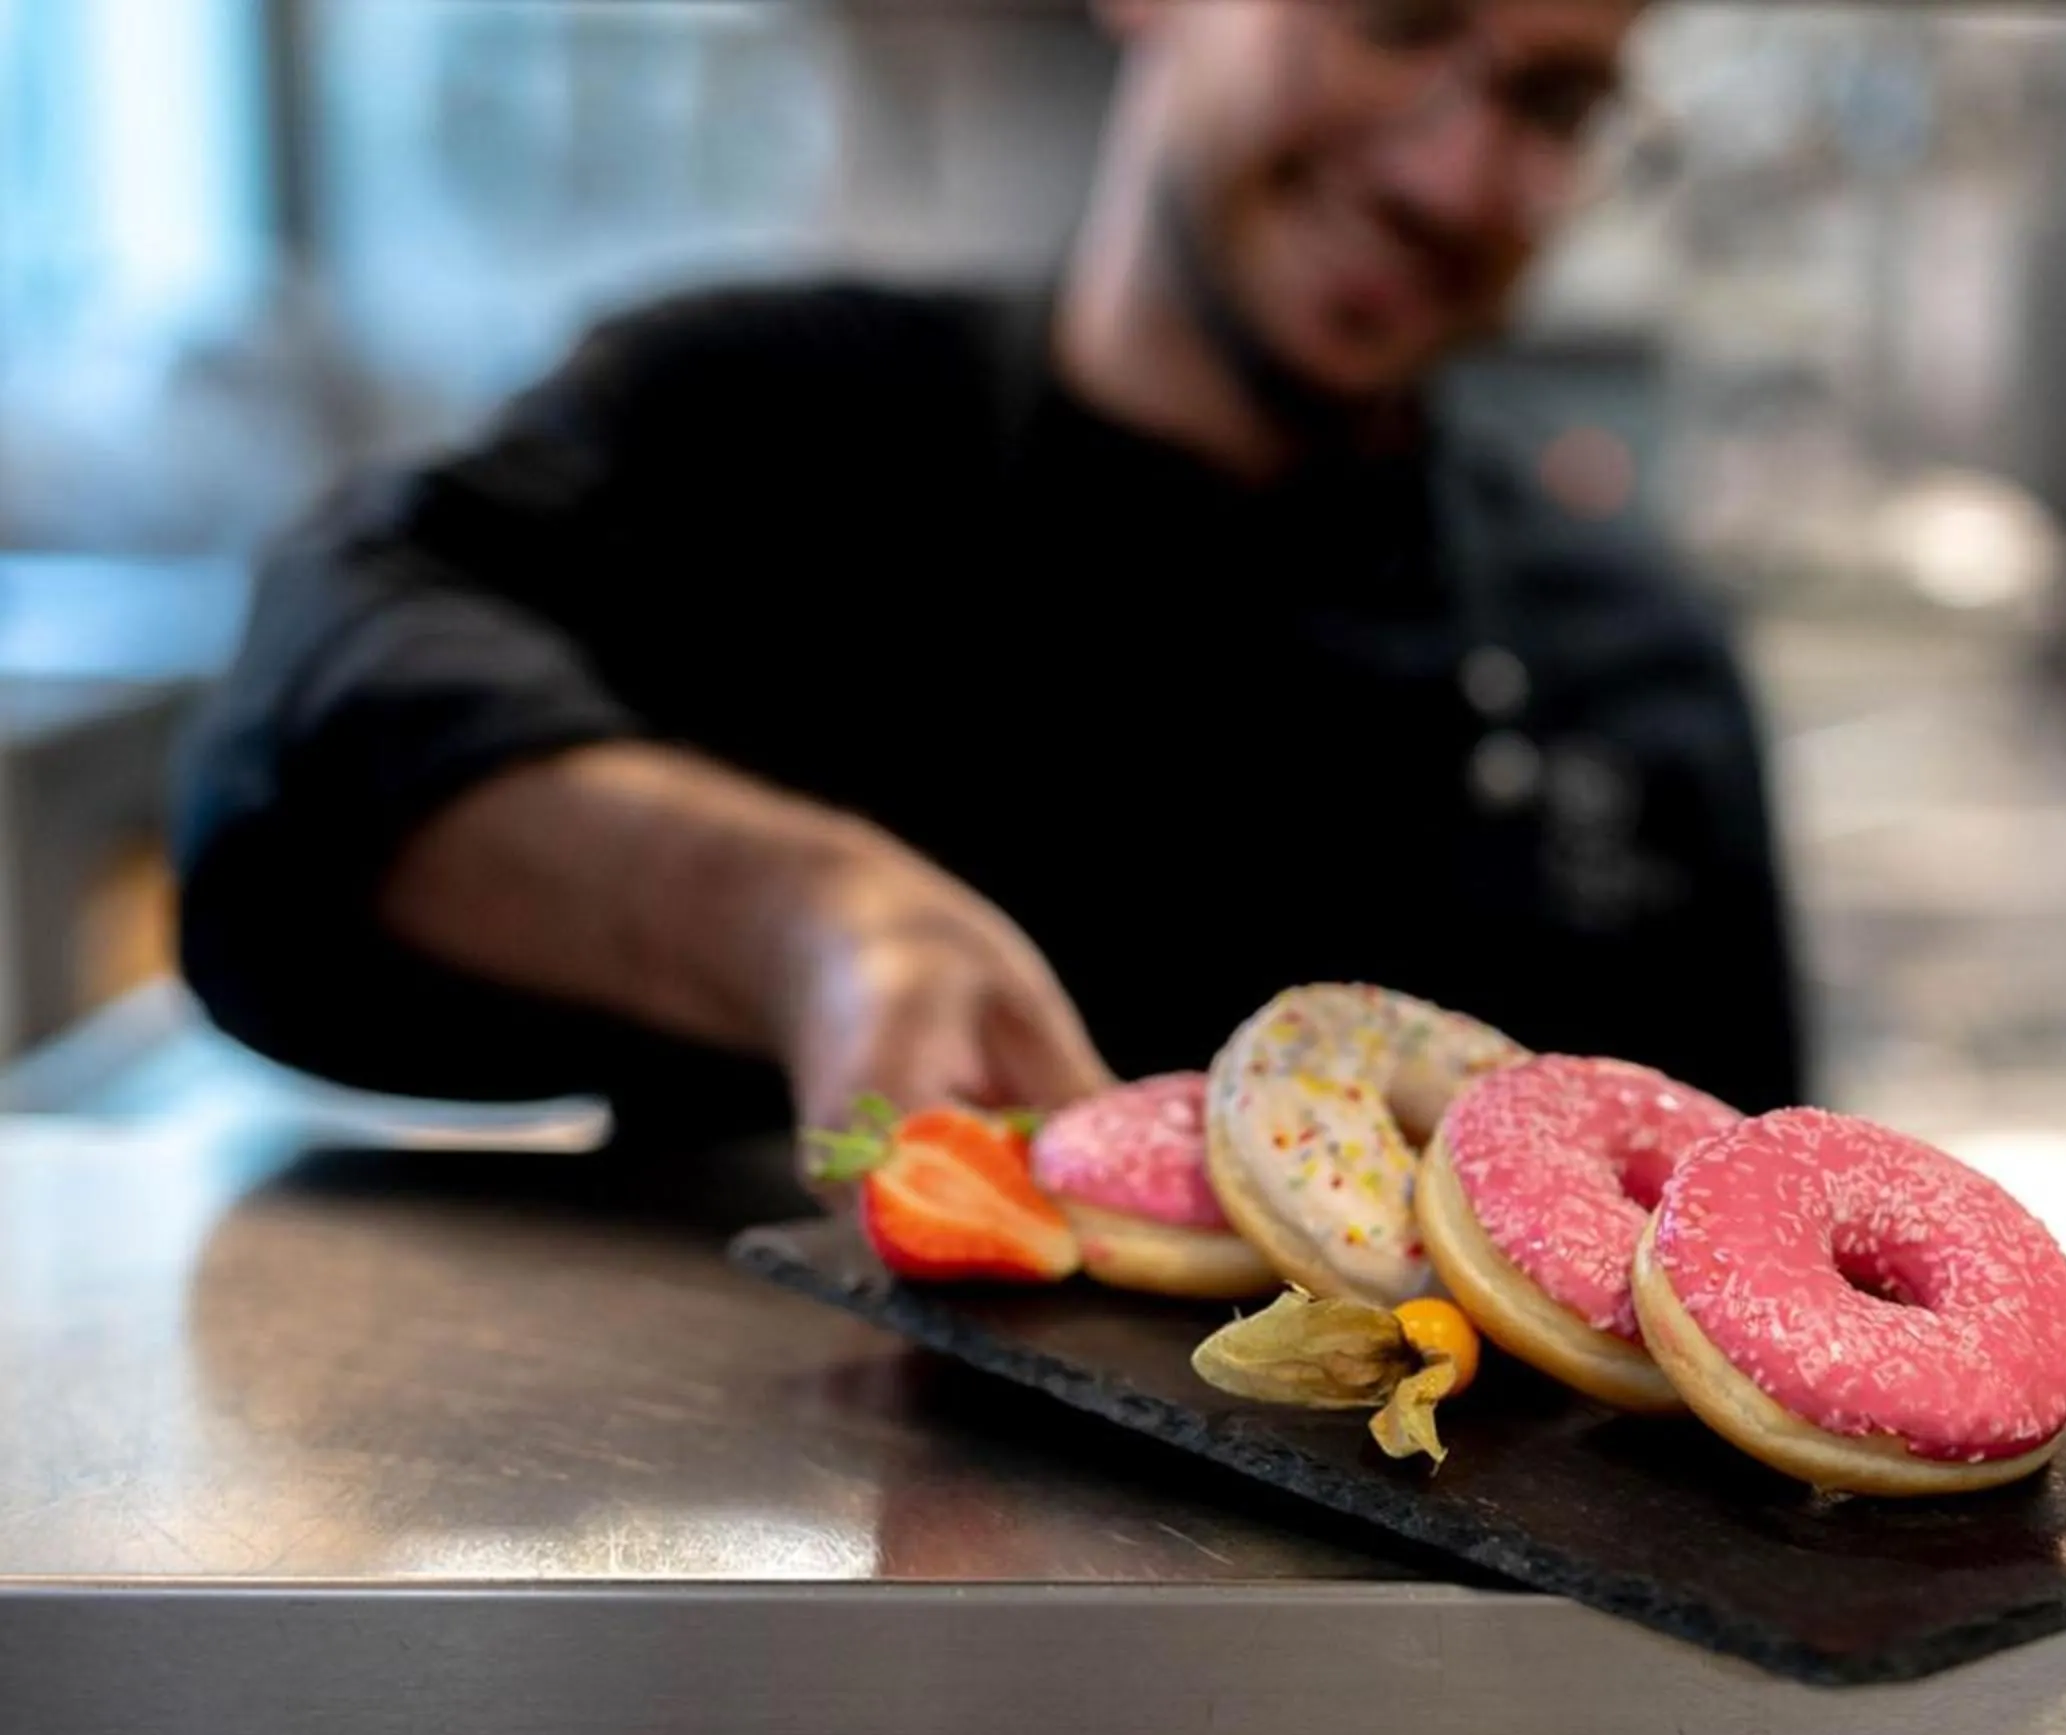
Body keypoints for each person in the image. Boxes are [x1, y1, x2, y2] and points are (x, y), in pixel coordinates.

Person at [175, 0, 1804, 1148]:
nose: (1453, 177)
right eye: (1392, 19)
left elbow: (1710, 1282)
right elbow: (310, 720)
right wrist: (803, 925)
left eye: (1557, 102)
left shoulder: (1632, 652)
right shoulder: (755, 428)